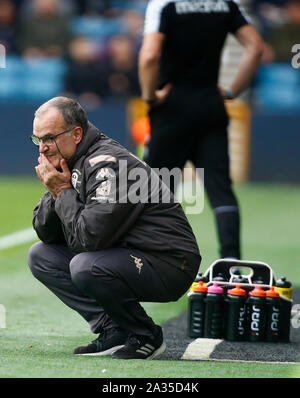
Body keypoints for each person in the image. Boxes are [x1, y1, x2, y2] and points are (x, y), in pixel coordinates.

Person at [27, 96, 201, 360]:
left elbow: (88, 239)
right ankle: (114, 329)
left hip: (170, 262)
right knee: (41, 255)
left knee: (85, 265)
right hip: (127, 252)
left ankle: (146, 335)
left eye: (49, 138)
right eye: (38, 139)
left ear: (76, 134)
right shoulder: (72, 160)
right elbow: (47, 234)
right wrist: (54, 191)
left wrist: (61, 191)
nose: (43, 149)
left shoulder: (109, 164)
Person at [139, 0, 264, 261]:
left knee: (155, 191)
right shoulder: (224, 4)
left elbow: (150, 55)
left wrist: (150, 96)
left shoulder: (164, 4)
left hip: (172, 109)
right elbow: (255, 47)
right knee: (221, 191)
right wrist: (232, 91)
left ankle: (155, 262)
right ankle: (231, 265)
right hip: (211, 106)